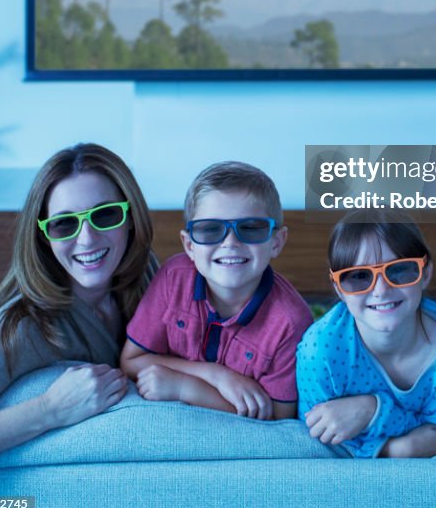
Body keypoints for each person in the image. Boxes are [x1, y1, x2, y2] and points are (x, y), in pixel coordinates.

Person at [0, 142, 156, 483]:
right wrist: (49, 410)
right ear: (44, 236)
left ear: (130, 218)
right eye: (64, 225)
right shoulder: (21, 330)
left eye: (106, 215)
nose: (87, 238)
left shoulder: (143, 272)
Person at [121, 161, 312, 420]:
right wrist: (215, 375)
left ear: (276, 242)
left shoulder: (291, 321)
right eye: (211, 229)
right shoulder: (173, 278)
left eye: (250, 228)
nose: (230, 243)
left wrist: (185, 387)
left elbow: (280, 415)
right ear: (189, 245)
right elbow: (131, 361)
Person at [296, 210, 436, 458]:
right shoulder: (319, 352)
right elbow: (320, 444)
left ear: (425, 274)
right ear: (338, 288)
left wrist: (372, 412)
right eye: (359, 277)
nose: (381, 290)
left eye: (399, 270)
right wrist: (406, 440)